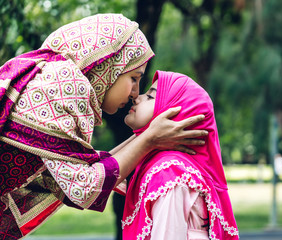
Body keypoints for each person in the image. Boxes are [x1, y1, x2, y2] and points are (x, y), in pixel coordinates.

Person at [0, 14, 207, 239]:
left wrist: (148, 136)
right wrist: (149, 139)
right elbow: (84, 187)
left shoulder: (53, 74)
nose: (135, 94)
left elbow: (79, 168)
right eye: (134, 78)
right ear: (110, 66)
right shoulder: (63, 82)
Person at [122, 70, 239, 240]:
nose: (137, 97)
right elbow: (95, 170)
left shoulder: (170, 173)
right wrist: (148, 136)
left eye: (150, 97)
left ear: (173, 116)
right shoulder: (161, 166)